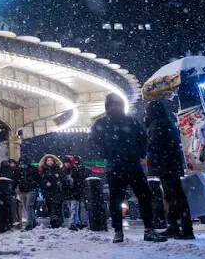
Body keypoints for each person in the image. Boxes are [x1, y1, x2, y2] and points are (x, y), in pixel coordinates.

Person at [90, 93, 167, 243]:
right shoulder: (102, 123)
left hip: (133, 165)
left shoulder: (131, 122)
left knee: (143, 197)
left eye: (117, 104)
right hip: (115, 166)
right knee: (116, 200)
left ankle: (148, 229)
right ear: (107, 106)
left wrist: (139, 152)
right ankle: (118, 231)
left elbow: (143, 139)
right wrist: (105, 153)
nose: (115, 107)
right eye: (112, 104)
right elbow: (93, 142)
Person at [146, 100, 194, 239]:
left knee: (174, 196)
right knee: (172, 196)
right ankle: (176, 225)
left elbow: (154, 145)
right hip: (170, 164)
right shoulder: (167, 123)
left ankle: (184, 228)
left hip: (166, 165)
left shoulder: (158, 125)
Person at [61, 155, 89, 231]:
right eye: (65, 163)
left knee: (74, 209)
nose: (67, 164)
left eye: (68, 162)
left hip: (75, 193)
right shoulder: (63, 171)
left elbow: (80, 182)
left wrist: (73, 182)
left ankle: (72, 224)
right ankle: (76, 223)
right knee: (72, 209)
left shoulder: (76, 170)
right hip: (68, 193)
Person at [38, 154, 64, 228]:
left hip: (56, 190)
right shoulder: (43, 169)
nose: (49, 162)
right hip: (47, 191)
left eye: (51, 160)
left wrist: (54, 180)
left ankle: (56, 222)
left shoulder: (57, 168)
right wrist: (46, 183)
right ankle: (53, 220)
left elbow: (60, 178)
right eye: (48, 160)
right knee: (50, 206)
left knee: (56, 206)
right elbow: (41, 179)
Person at [17, 155, 40, 230]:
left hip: (31, 190)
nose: (23, 165)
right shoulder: (19, 170)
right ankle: (33, 221)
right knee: (26, 207)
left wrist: (39, 187)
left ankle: (29, 223)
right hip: (23, 190)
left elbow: (38, 179)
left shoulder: (33, 169)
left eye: (24, 163)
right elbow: (17, 179)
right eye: (21, 163)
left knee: (28, 207)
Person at [0, 159, 20, 225]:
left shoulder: (1, 170)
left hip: (2, 193)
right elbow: (15, 181)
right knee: (12, 206)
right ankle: (12, 220)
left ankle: (5, 221)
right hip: (10, 191)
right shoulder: (13, 170)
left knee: (4, 208)